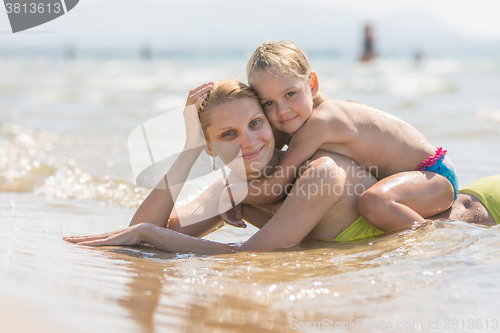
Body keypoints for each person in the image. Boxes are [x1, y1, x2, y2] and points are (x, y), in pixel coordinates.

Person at [64, 79, 385, 252]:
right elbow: (141, 229)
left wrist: (149, 233)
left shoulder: (321, 173)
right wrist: (190, 151)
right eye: (228, 134)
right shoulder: (235, 189)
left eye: (255, 123)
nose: (248, 141)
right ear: (211, 146)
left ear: (271, 124)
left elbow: (247, 256)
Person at [221, 40, 458, 233]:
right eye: (268, 103)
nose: (282, 110)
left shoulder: (320, 122)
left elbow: (275, 186)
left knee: (374, 203)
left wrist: (229, 193)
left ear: (312, 84)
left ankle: (431, 241)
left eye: (290, 94)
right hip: (420, 178)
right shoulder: (299, 117)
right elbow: (268, 159)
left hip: (433, 175)